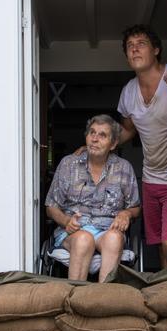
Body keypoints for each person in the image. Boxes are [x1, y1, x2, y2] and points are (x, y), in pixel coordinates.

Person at [45, 114, 141, 282]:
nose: (95, 139)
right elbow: (50, 207)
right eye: (92, 133)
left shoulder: (123, 168)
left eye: (102, 135)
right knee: (84, 239)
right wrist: (66, 221)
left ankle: (102, 300)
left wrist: (126, 214)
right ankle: (75, 298)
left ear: (113, 144)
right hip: (73, 232)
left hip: (107, 229)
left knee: (115, 238)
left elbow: (135, 207)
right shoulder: (69, 164)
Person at [118, 24, 167, 268]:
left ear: (156, 50)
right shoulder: (129, 91)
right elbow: (127, 131)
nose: (134, 49)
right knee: (159, 247)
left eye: (140, 43)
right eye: (130, 46)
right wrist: (92, 147)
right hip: (151, 179)